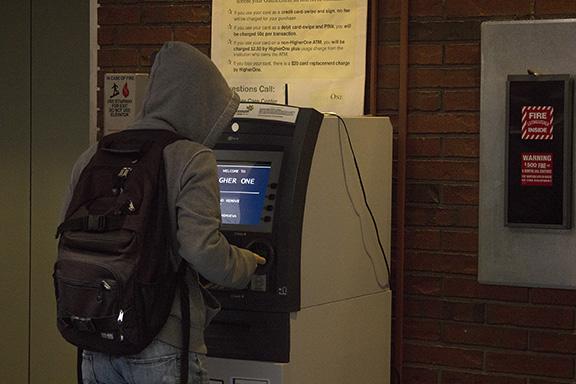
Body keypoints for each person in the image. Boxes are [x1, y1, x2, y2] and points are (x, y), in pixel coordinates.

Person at [61, 41, 266, 384]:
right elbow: (201, 249)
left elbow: (68, 232)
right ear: (202, 104)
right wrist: (245, 264)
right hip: (161, 341)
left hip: (94, 337)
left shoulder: (94, 155)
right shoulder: (191, 157)